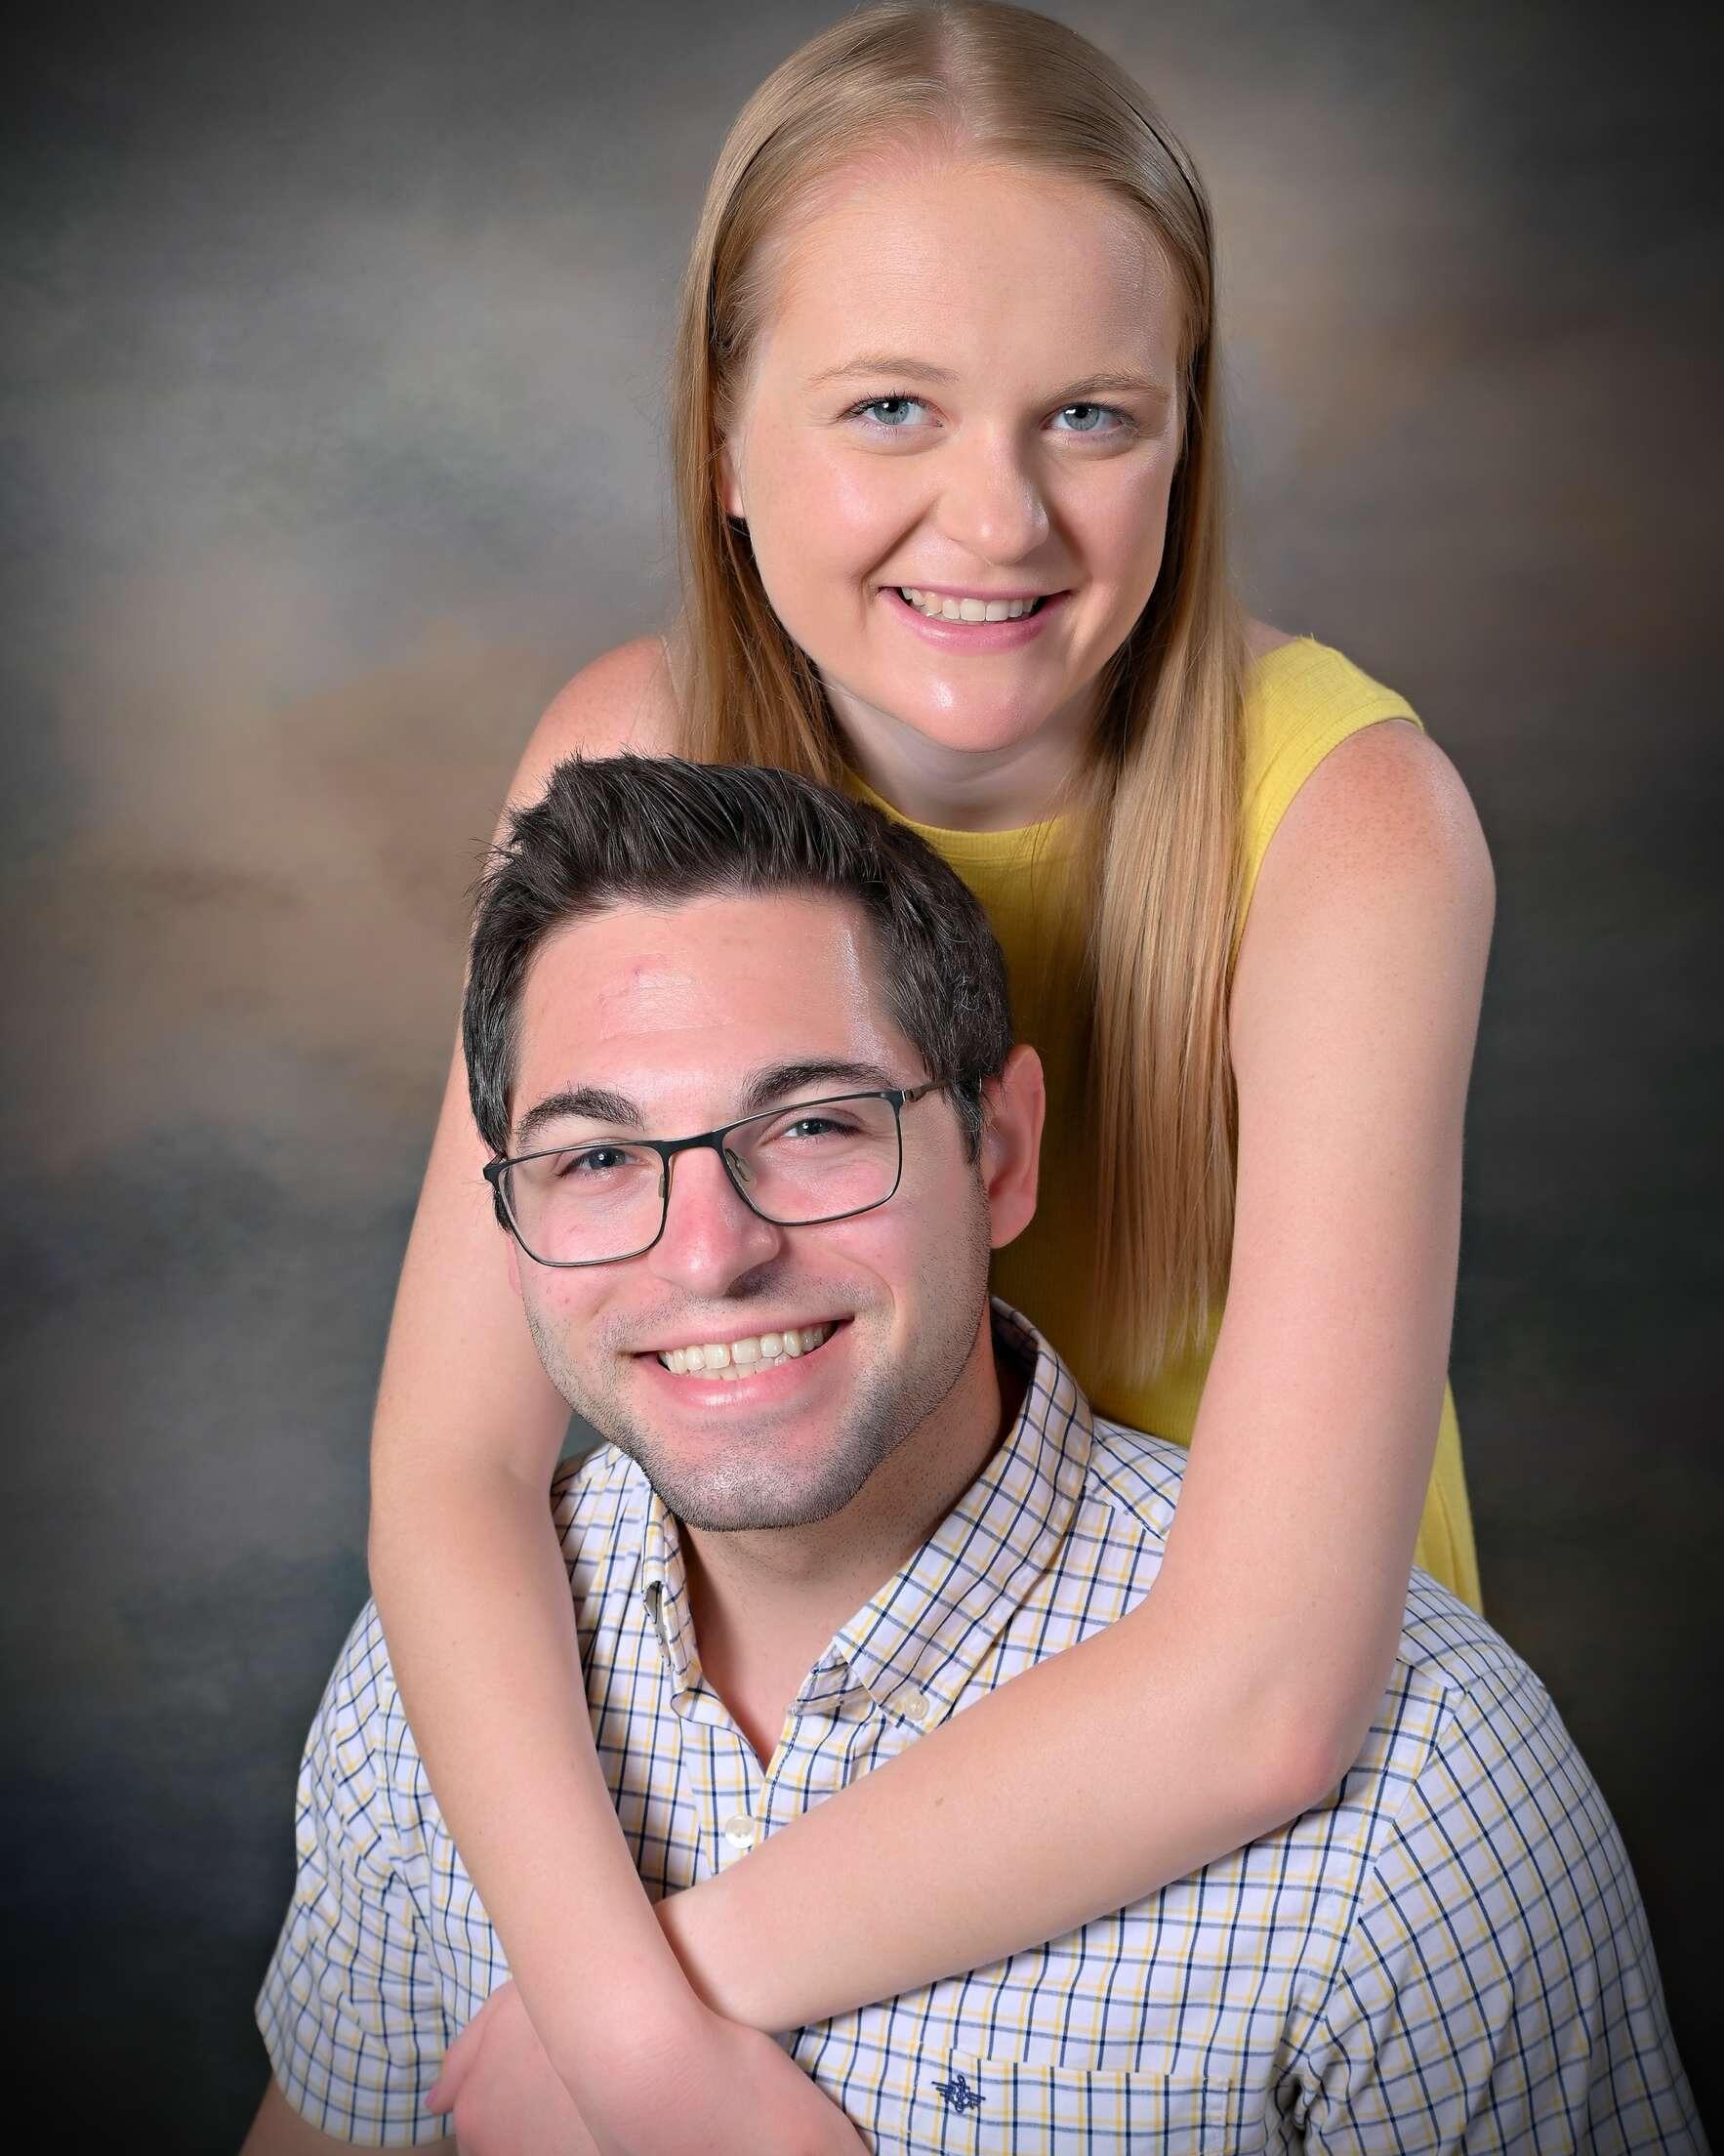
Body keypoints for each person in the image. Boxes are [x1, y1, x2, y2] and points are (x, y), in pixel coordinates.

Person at [367, 5, 1502, 2145]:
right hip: (783, 1709)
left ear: (1188, 437)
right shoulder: (622, 754)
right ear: (718, 433)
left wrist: (633, 2035)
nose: (996, 520)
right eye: (888, 405)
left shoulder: (1347, 824)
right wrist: (633, 2020)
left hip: (1202, 1835)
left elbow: (1261, 1700)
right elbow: (449, 1472)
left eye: (1090, 416)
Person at [245, 758, 1701, 2153]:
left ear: (995, 1153)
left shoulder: (1423, 1796)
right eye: (598, 1159)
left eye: (813, 1125)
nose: (710, 1253)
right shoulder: (429, 1685)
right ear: (507, 1221)